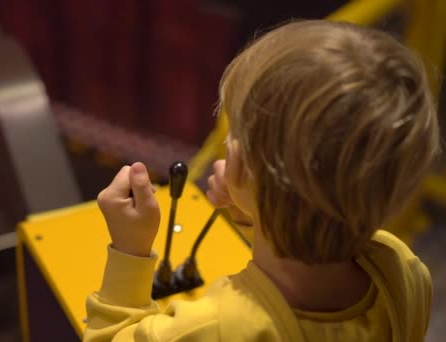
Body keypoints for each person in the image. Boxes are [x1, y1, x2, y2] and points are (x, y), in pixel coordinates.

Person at [84, 20, 439, 341]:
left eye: (234, 129)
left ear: (239, 165)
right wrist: (254, 211)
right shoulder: (403, 270)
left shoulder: (214, 329)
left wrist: (130, 250)